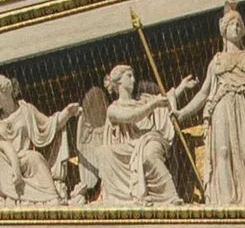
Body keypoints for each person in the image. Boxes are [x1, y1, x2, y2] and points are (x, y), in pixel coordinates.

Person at [169, 2, 245, 206]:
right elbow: (204, 93)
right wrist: (183, 113)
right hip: (221, 105)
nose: (236, 27)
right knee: (222, 151)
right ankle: (226, 203)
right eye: (232, 24)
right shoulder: (217, 60)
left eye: (239, 24)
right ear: (224, 30)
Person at [78, 65, 187, 205]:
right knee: (104, 152)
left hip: (150, 138)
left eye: (133, 75)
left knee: (149, 155)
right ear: (118, 82)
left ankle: (171, 197)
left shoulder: (143, 100)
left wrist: (181, 87)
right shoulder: (113, 109)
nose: (133, 79)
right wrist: (153, 105)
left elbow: (164, 101)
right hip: (130, 146)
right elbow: (131, 116)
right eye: (129, 76)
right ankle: (119, 199)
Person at [0, 74, 76, 203]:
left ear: (5, 90)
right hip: (6, 164)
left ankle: (53, 198)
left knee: (35, 157)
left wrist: (67, 113)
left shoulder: (26, 110)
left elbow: (49, 125)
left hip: (25, 158)